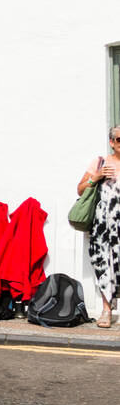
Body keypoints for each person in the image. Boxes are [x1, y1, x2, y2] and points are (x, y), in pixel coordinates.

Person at [80, 125, 120, 327]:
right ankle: (106, 310)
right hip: (104, 226)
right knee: (105, 265)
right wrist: (96, 178)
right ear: (112, 143)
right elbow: (80, 190)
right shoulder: (100, 162)